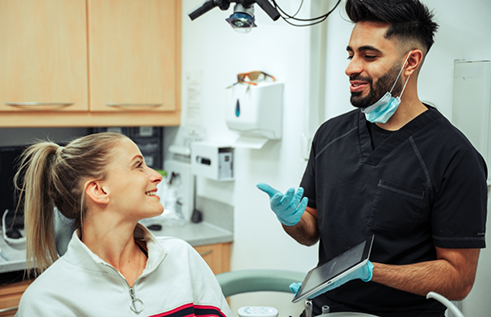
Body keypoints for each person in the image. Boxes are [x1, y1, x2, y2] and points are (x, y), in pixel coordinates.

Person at [258, 0, 487, 316]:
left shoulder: (454, 156)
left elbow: (459, 278)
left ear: (411, 62)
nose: (351, 67)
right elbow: (310, 233)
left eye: (369, 55)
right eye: (350, 54)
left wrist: (370, 271)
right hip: (324, 310)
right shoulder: (329, 134)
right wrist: (291, 219)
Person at [15, 132, 232, 317]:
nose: (156, 176)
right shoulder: (46, 302)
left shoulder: (182, 259)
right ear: (99, 190)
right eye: (138, 166)